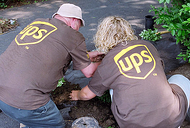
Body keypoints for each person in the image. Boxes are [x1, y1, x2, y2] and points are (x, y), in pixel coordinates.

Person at [70, 16, 190, 128]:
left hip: (133, 123)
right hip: (172, 117)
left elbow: (86, 94)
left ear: (102, 36)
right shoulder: (147, 45)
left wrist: (76, 95)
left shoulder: (108, 62)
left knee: (113, 87)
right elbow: (160, 69)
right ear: (128, 30)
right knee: (180, 78)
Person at [0, 3, 102, 128]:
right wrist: (106, 61)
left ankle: (28, 122)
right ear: (75, 20)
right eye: (79, 26)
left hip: (2, 94)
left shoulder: (37, 22)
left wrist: (87, 55)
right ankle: (31, 121)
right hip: (25, 102)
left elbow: (50, 50)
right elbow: (89, 72)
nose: (78, 29)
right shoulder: (73, 35)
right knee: (56, 124)